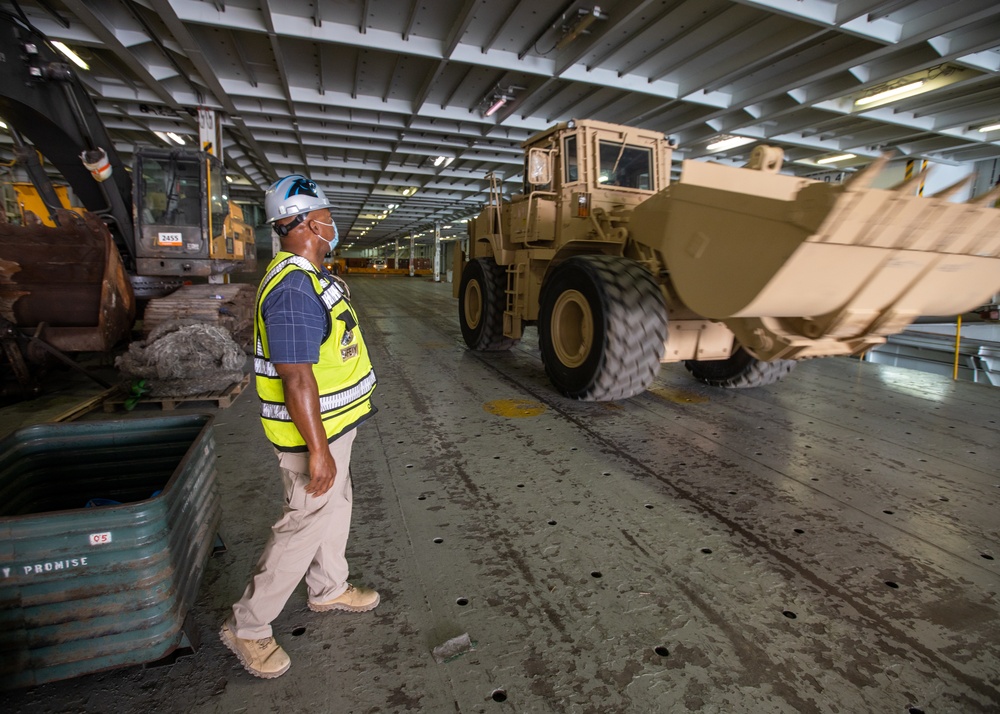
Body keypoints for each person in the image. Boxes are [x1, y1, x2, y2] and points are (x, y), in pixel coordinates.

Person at [220, 174, 379, 679]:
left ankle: (328, 587)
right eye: (330, 216)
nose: (335, 225)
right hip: (311, 436)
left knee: (336, 507)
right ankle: (248, 626)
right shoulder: (292, 287)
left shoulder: (313, 276)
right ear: (312, 222)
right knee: (303, 524)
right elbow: (296, 379)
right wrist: (318, 450)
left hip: (335, 427)